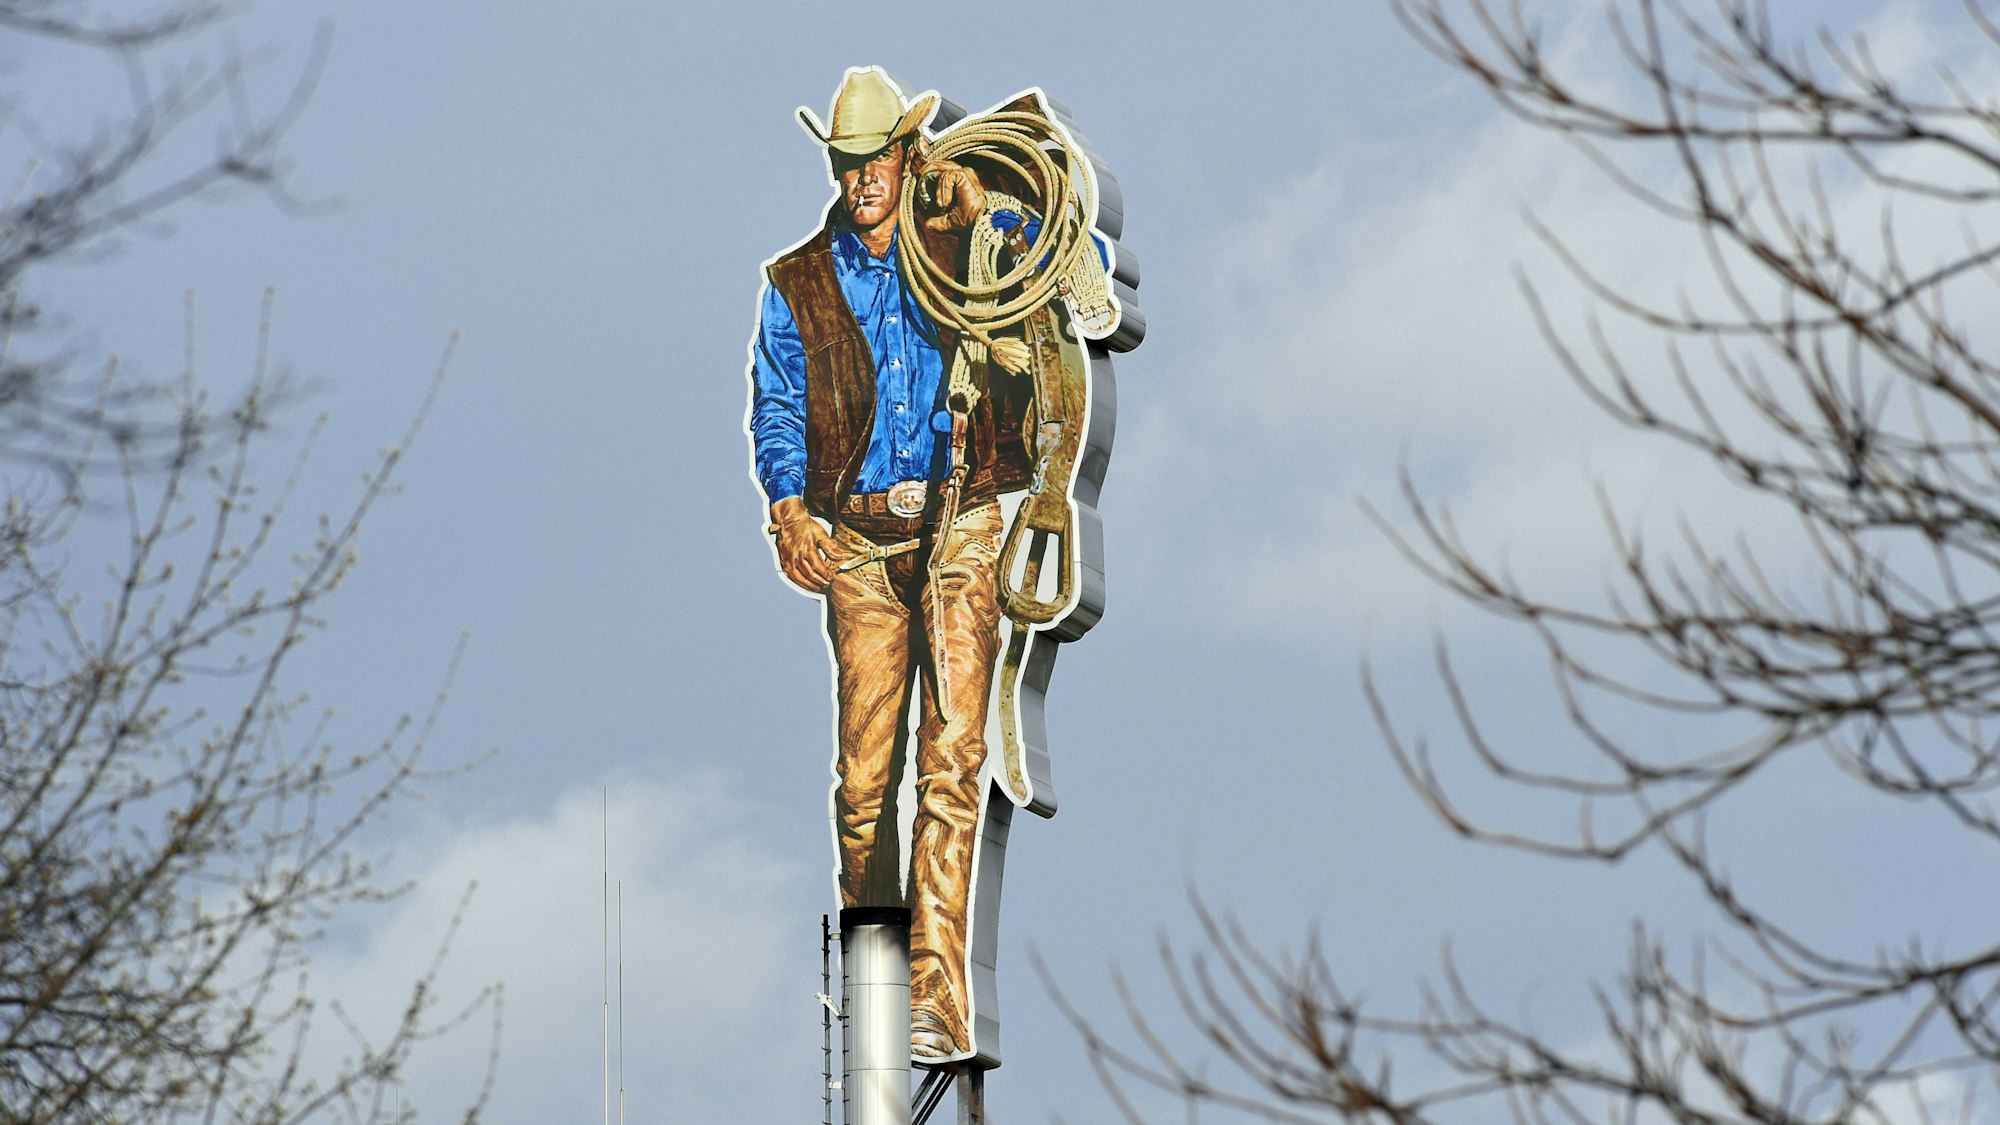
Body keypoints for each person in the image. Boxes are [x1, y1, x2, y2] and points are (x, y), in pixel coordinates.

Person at [745, 67, 1039, 1061]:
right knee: (864, 784)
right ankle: (877, 980)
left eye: (872, 159)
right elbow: (777, 402)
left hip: (960, 514)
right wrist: (787, 510)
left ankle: (936, 995)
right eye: (845, 162)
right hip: (860, 544)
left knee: (951, 758)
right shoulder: (798, 281)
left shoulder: (960, 241)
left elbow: (1059, 260)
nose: (860, 179)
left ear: (905, 156)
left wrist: (991, 207)